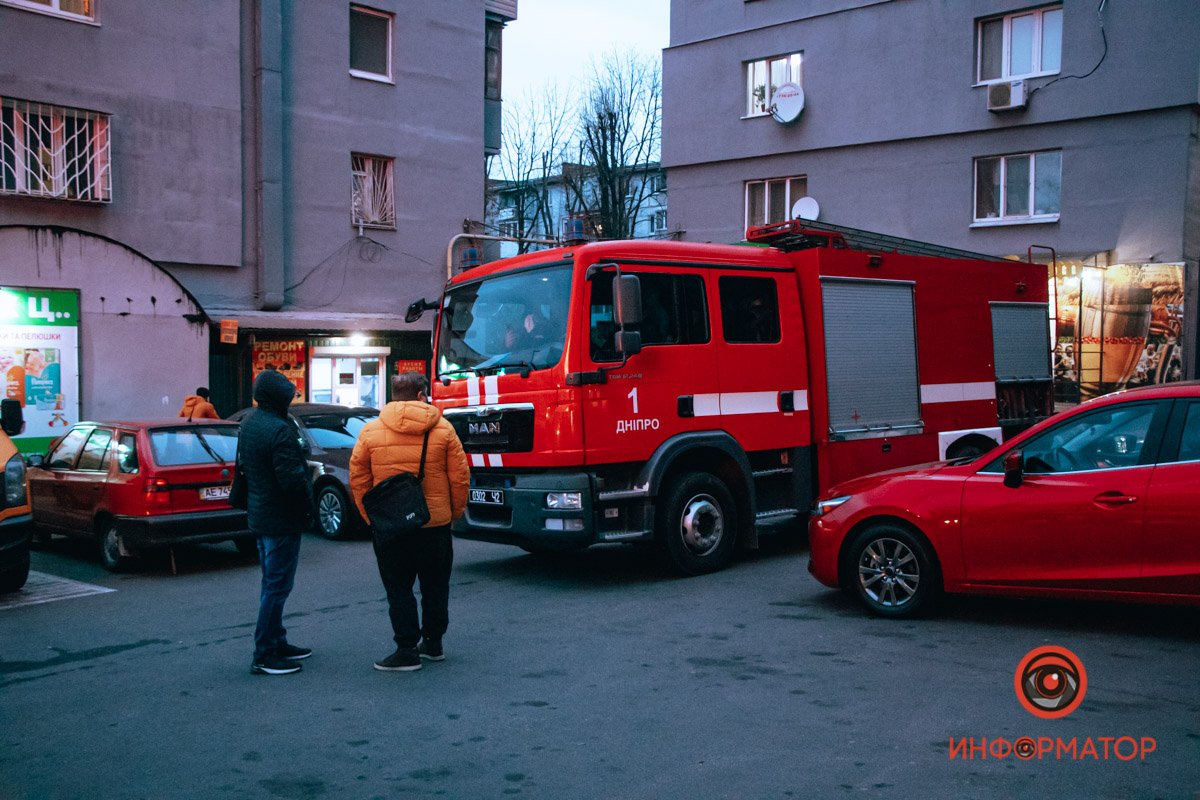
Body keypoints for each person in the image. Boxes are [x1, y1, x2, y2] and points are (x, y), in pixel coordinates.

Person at [349, 371, 470, 672]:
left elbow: (358, 478)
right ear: (421, 395)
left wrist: (371, 518)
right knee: (435, 585)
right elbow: (460, 477)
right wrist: (453, 513)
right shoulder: (443, 429)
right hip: (434, 525)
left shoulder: (371, 431)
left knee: (398, 588)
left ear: (393, 396)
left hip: (391, 527)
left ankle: (406, 650)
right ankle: (433, 643)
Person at [239, 369, 315, 675]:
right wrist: (308, 506)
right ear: (278, 399)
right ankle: (265, 652)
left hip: (261, 514)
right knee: (277, 586)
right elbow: (292, 480)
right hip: (281, 519)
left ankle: (276, 640)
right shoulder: (279, 429)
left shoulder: (251, 423)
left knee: (271, 583)